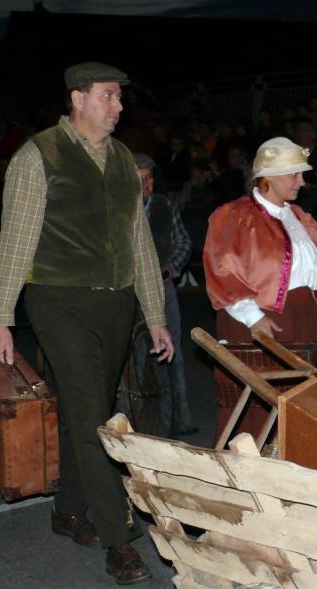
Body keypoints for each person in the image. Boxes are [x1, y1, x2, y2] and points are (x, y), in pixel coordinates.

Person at [0, 62, 174, 586]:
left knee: (82, 408)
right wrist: (0, 318)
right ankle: (120, 538)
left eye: (120, 97)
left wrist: (155, 314)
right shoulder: (38, 156)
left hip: (115, 304)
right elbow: (15, 242)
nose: (119, 106)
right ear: (78, 98)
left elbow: (140, 242)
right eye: (109, 96)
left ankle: (68, 509)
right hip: (58, 301)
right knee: (96, 417)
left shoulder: (122, 159)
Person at [203, 137, 317, 439]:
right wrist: (253, 317)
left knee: (299, 398)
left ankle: (290, 457)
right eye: (294, 174)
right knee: (260, 403)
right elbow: (221, 269)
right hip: (263, 321)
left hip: (300, 320)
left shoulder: (296, 215)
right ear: (269, 176)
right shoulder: (235, 215)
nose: (301, 182)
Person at [133, 153, 195, 436]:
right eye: (139, 179)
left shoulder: (163, 205)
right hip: (130, 288)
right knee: (133, 354)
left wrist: (170, 268)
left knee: (173, 352)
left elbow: (183, 241)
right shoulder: (118, 208)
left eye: (149, 179)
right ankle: (133, 415)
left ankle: (180, 415)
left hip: (162, 285)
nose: (145, 185)